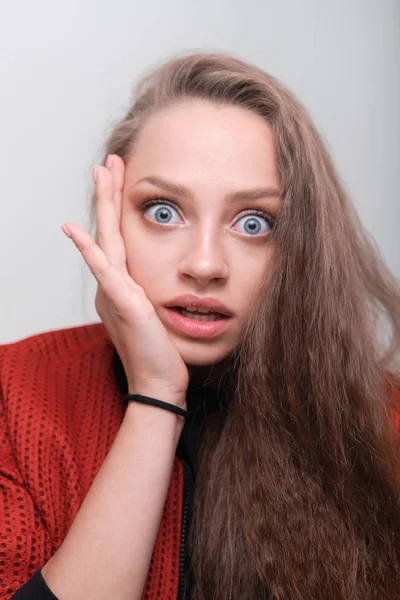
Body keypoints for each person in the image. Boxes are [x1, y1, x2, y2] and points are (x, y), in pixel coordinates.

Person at [1, 50, 400, 600]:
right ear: (109, 216)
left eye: (254, 223)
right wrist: (156, 397)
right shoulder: (14, 391)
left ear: (302, 249)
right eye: (163, 211)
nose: (206, 264)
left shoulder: (386, 424)